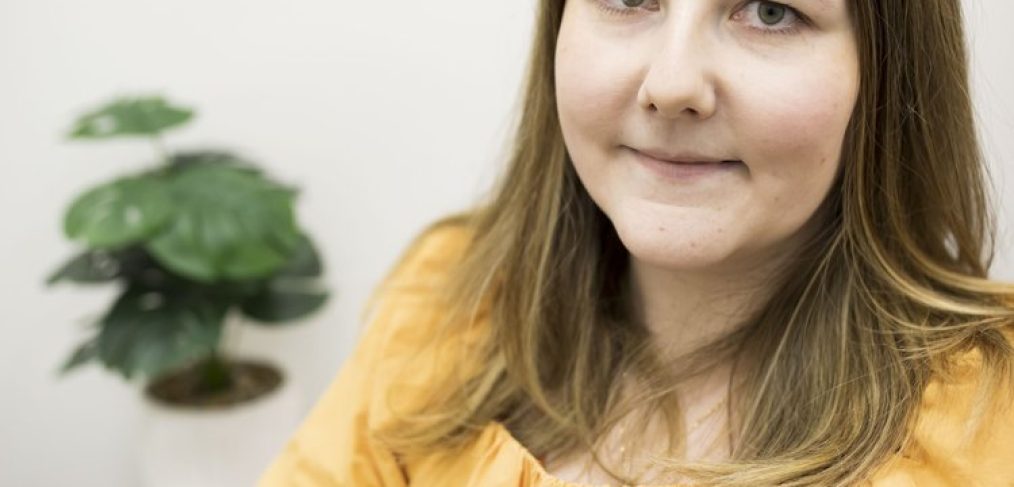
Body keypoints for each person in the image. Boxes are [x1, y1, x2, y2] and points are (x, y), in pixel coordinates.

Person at [261, 0, 1014, 485]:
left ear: (885, 74)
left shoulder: (991, 425)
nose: (672, 81)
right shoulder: (449, 301)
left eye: (770, 11)